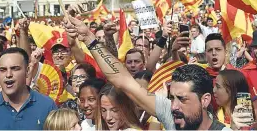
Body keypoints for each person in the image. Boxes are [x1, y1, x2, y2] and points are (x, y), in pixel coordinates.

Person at [65, 15, 230, 130]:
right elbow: (121, 79)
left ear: (205, 100)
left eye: (182, 99)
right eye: (172, 98)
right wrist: (88, 38)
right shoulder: (170, 112)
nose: (174, 106)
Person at [0, 47, 57, 130]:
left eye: (15, 68)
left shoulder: (47, 106)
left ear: (27, 71)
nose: (8, 75)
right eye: (3, 70)